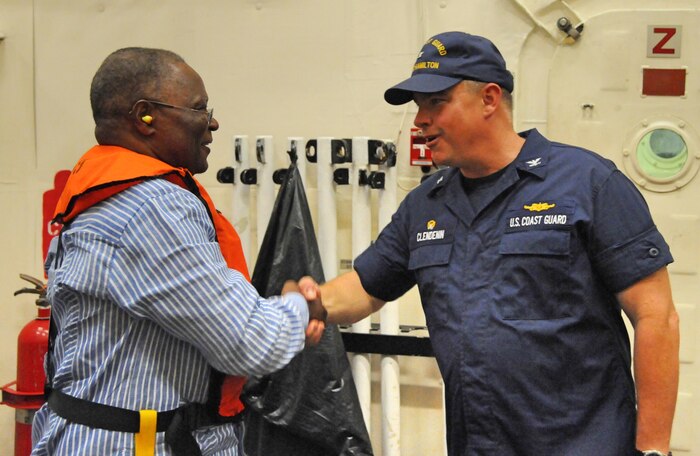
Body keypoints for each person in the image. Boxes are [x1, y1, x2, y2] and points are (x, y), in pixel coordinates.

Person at [304, 32, 680, 455]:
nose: (419, 121)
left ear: (489, 98)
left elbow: (657, 317)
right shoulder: (426, 205)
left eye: (436, 102)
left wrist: (653, 449)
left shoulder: (587, 183)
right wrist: (312, 303)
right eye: (417, 107)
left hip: (585, 444)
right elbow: (365, 287)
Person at [31, 47, 325, 456]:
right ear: (144, 116)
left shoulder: (103, 195)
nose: (212, 122)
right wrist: (300, 308)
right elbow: (247, 340)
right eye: (199, 109)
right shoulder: (153, 208)